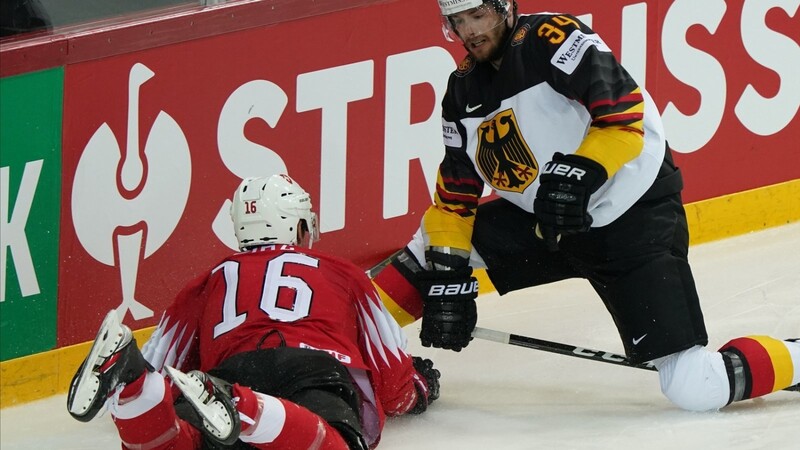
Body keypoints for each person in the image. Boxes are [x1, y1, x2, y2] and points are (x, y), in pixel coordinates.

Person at [371, 0, 799, 412]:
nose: (469, 32)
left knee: (695, 386)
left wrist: (579, 172)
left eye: (477, 15)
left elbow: (623, 117)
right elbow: (453, 204)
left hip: (631, 219)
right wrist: (447, 282)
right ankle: (342, 338)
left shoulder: (553, 38)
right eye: (458, 20)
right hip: (548, 222)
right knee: (432, 251)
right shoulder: (462, 91)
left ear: (504, 7)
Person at [67, 174, 441, 449]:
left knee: (181, 444)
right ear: (297, 226)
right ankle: (241, 405)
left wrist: (153, 380)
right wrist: (419, 390)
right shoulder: (342, 272)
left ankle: (131, 381)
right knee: (329, 445)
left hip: (232, 370)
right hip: (312, 373)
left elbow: (164, 367)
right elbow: (393, 381)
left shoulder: (206, 281)